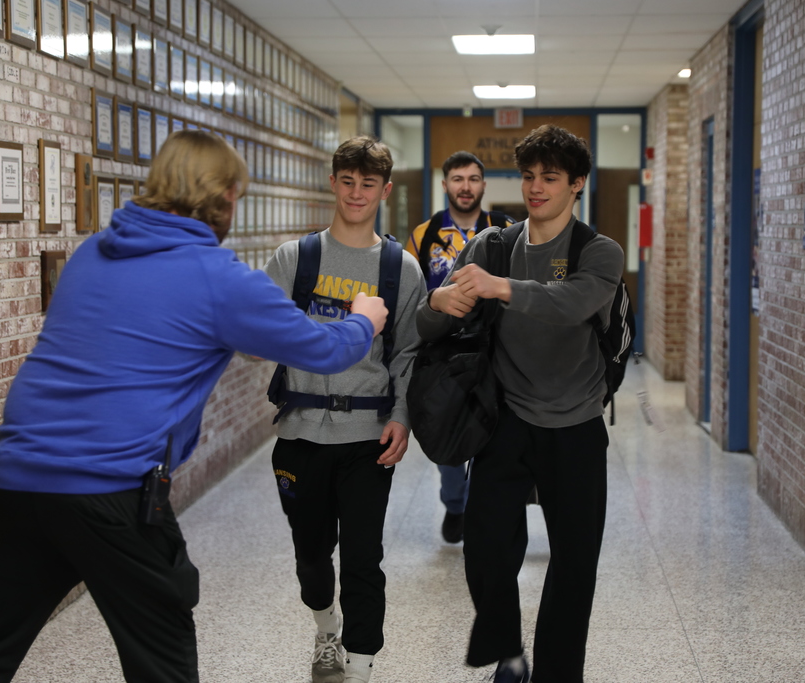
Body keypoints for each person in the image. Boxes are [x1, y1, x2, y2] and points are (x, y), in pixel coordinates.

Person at [0, 130, 388, 683]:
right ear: (220, 196)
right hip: (111, 488)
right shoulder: (215, 276)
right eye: (235, 196)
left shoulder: (93, 252)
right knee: (163, 658)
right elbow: (324, 347)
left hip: (17, 481)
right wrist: (365, 318)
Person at [415, 125, 624, 683]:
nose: (536, 188)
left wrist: (501, 287)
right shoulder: (494, 245)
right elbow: (432, 321)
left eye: (550, 178)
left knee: (574, 564)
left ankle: (557, 673)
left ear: (577, 184)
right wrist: (437, 299)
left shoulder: (598, 252)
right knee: (484, 550)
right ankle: (508, 655)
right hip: (504, 420)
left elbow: (572, 304)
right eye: (528, 176)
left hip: (576, 425)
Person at [264, 136, 425, 683]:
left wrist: (402, 414)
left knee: (362, 558)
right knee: (312, 557)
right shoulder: (295, 259)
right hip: (301, 431)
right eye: (348, 181)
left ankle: (359, 664)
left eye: (369, 184)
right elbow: (264, 331)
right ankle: (325, 625)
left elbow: (407, 352)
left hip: (367, 435)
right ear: (333, 182)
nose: (357, 193)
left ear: (384, 189)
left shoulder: (401, 268)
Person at [405, 151, 511, 544]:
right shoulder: (424, 234)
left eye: (473, 179)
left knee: (496, 434)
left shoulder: (505, 228)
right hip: (444, 354)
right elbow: (412, 298)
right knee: (450, 434)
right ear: (445, 184)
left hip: (495, 350)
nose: (465, 186)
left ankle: (488, 511)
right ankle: (454, 504)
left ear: (484, 185)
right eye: (457, 179)